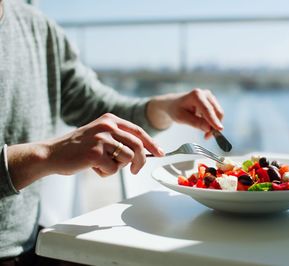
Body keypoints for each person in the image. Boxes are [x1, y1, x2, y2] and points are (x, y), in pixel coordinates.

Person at [0, 0, 224, 265]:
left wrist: (164, 108)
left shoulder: (35, 26)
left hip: (28, 247)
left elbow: (94, 105)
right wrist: (48, 154)